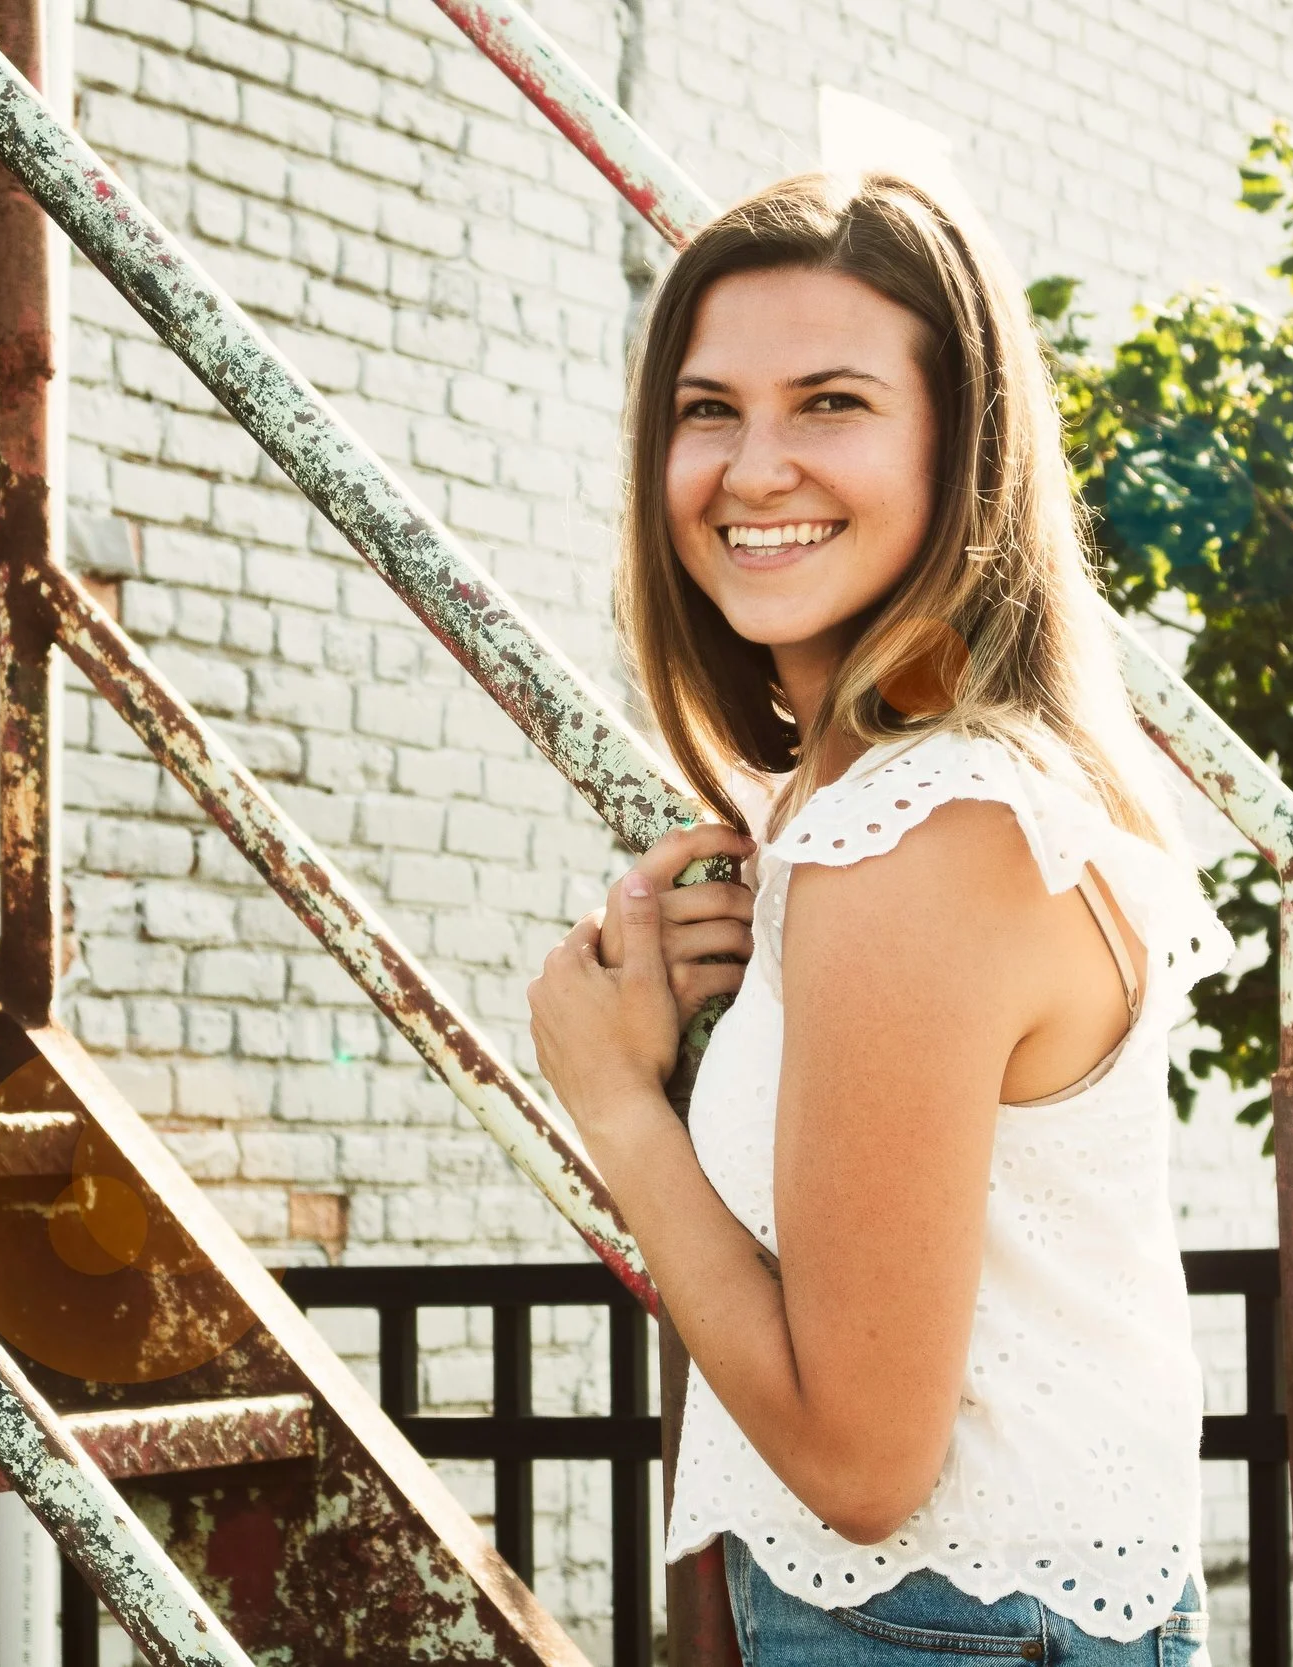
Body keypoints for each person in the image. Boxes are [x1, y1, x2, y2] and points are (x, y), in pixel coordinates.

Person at [524, 171, 1230, 1667]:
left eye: (831, 402)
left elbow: (860, 1463)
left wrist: (611, 1102)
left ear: (958, 450)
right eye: (707, 409)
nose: (752, 466)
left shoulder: (919, 835)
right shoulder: (887, 807)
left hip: (950, 1625)